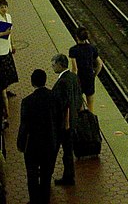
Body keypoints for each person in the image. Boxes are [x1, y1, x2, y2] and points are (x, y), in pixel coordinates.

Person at [17, 69, 58, 204]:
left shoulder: (27, 102)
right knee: (46, 175)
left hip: (32, 145)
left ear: (32, 82)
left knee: (32, 174)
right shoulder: (54, 97)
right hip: (50, 143)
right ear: (45, 81)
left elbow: (24, 126)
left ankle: (34, 200)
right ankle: (45, 199)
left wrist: (21, 144)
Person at [51, 53, 82, 187]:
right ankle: (69, 176)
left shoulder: (63, 82)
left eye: (53, 64)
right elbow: (79, 98)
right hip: (73, 120)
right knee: (68, 151)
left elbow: (61, 104)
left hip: (64, 124)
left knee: (56, 150)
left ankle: (61, 176)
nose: (52, 67)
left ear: (59, 65)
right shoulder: (73, 77)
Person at [69, 26, 104, 113]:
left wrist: (73, 80)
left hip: (79, 79)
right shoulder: (92, 48)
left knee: (79, 105)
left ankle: (82, 122)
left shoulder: (73, 50)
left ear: (76, 37)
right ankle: (91, 123)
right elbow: (100, 64)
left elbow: (74, 69)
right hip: (89, 78)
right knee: (90, 105)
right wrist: (94, 75)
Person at [0, 0, 18, 101]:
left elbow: (10, 32)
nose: (4, 9)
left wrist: (12, 44)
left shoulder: (9, 16)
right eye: (2, 7)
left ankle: (5, 90)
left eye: (5, 7)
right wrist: (4, 34)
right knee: (2, 71)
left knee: (8, 71)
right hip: (0, 49)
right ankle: (1, 91)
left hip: (7, 48)